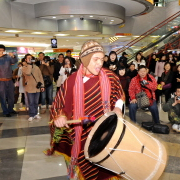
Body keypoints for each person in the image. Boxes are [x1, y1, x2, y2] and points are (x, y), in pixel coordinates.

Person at [47, 40, 124, 180]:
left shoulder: (110, 77)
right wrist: (60, 117)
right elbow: (58, 105)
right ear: (86, 59)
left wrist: (118, 108)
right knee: (82, 171)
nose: (100, 63)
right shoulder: (70, 82)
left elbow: (119, 96)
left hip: (105, 133)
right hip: (79, 136)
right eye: (96, 59)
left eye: (102, 59)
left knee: (105, 169)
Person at [0, 44, 18, 117]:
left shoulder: (8, 57)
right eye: (0, 50)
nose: (1, 52)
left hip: (9, 80)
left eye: (3, 50)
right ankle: (5, 111)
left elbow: (15, 61)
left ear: (4, 51)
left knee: (11, 96)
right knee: (2, 97)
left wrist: (13, 56)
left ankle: (11, 109)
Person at [22, 54, 45, 121]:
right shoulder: (24, 67)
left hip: (37, 87)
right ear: (25, 59)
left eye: (31, 58)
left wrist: (42, 85)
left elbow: (40, 76)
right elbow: (28, 73)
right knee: (31, 102)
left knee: (36, 102)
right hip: (29, 87)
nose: (30, 59)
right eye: (28, 58)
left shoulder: (36, 67)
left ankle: (35, 114)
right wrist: (29, 64)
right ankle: (31, 114)